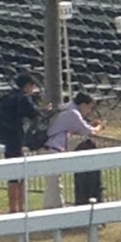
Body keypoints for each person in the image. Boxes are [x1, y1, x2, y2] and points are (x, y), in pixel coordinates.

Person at [42, 93, 103, 209]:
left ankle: (53, 210)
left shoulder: (65, 108)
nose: (89, 111)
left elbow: (77, 128)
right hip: (53, 148)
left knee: (52, 183)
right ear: (83, 104)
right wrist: (99, 126)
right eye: (90, 107)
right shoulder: (73, 114)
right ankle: (53, 212)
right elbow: (90, 132)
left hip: (48, 146)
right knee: (54, 184)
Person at [0, 73, 43, 213]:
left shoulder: (6, 97)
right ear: (27, 86)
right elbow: (34, 114)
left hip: (7, 138)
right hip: (20, 138)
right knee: (22, 174)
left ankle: (12, 208)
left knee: (12, 175)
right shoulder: (24, 98)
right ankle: (21, 207)